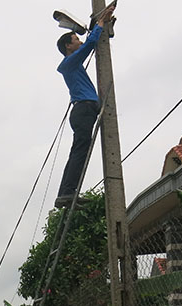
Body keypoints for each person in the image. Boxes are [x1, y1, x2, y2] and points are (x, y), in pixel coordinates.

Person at [54, 4, 116, 209]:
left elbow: (90, 44)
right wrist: (99, 23)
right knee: (80, 151)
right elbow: (90, 44)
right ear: (68, 47)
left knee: (78, 150)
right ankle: (67, 192)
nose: (79, 42)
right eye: (76, 40)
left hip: (84, 110)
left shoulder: (73, 63)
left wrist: (101, 25)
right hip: (83, 110)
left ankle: (66, 193)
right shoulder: (68, 63)